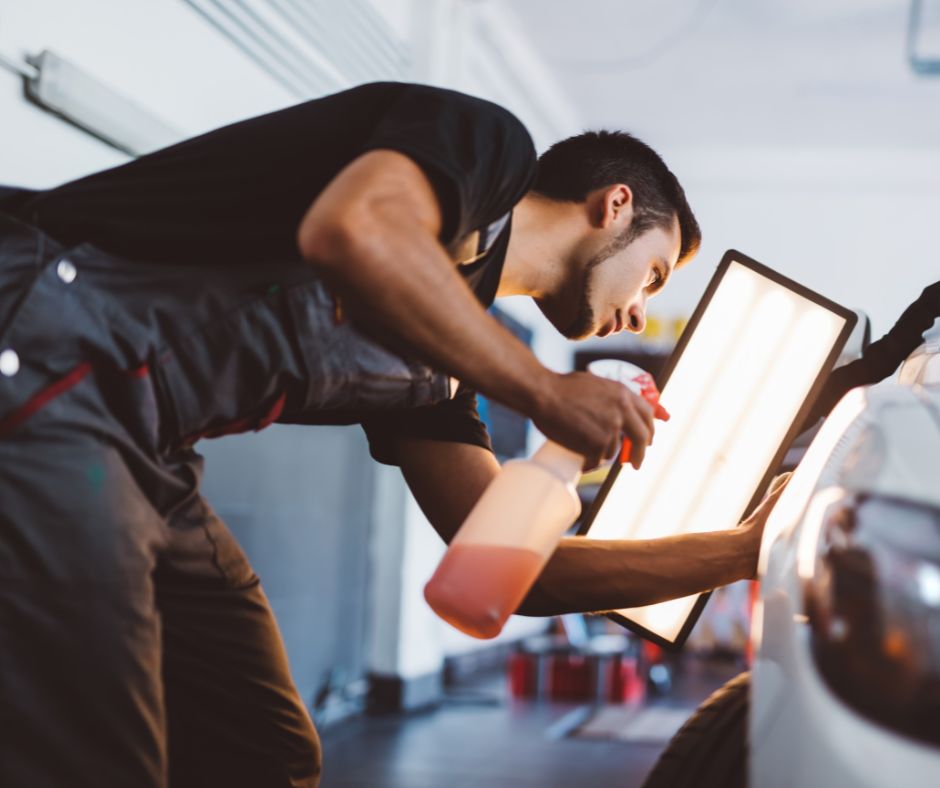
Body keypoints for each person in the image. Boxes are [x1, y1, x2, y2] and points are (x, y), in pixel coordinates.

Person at [0, 82, 786, 788]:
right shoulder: (487, 146)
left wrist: (745, 550)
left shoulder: (441, 366)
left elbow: (523, 573)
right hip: (48, 342)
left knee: (263, 750)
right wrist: (545, 391)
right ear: (614, 205)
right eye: (653, 275)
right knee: (95, 757)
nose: (642, 314)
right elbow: (357, 229)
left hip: (143, 444)